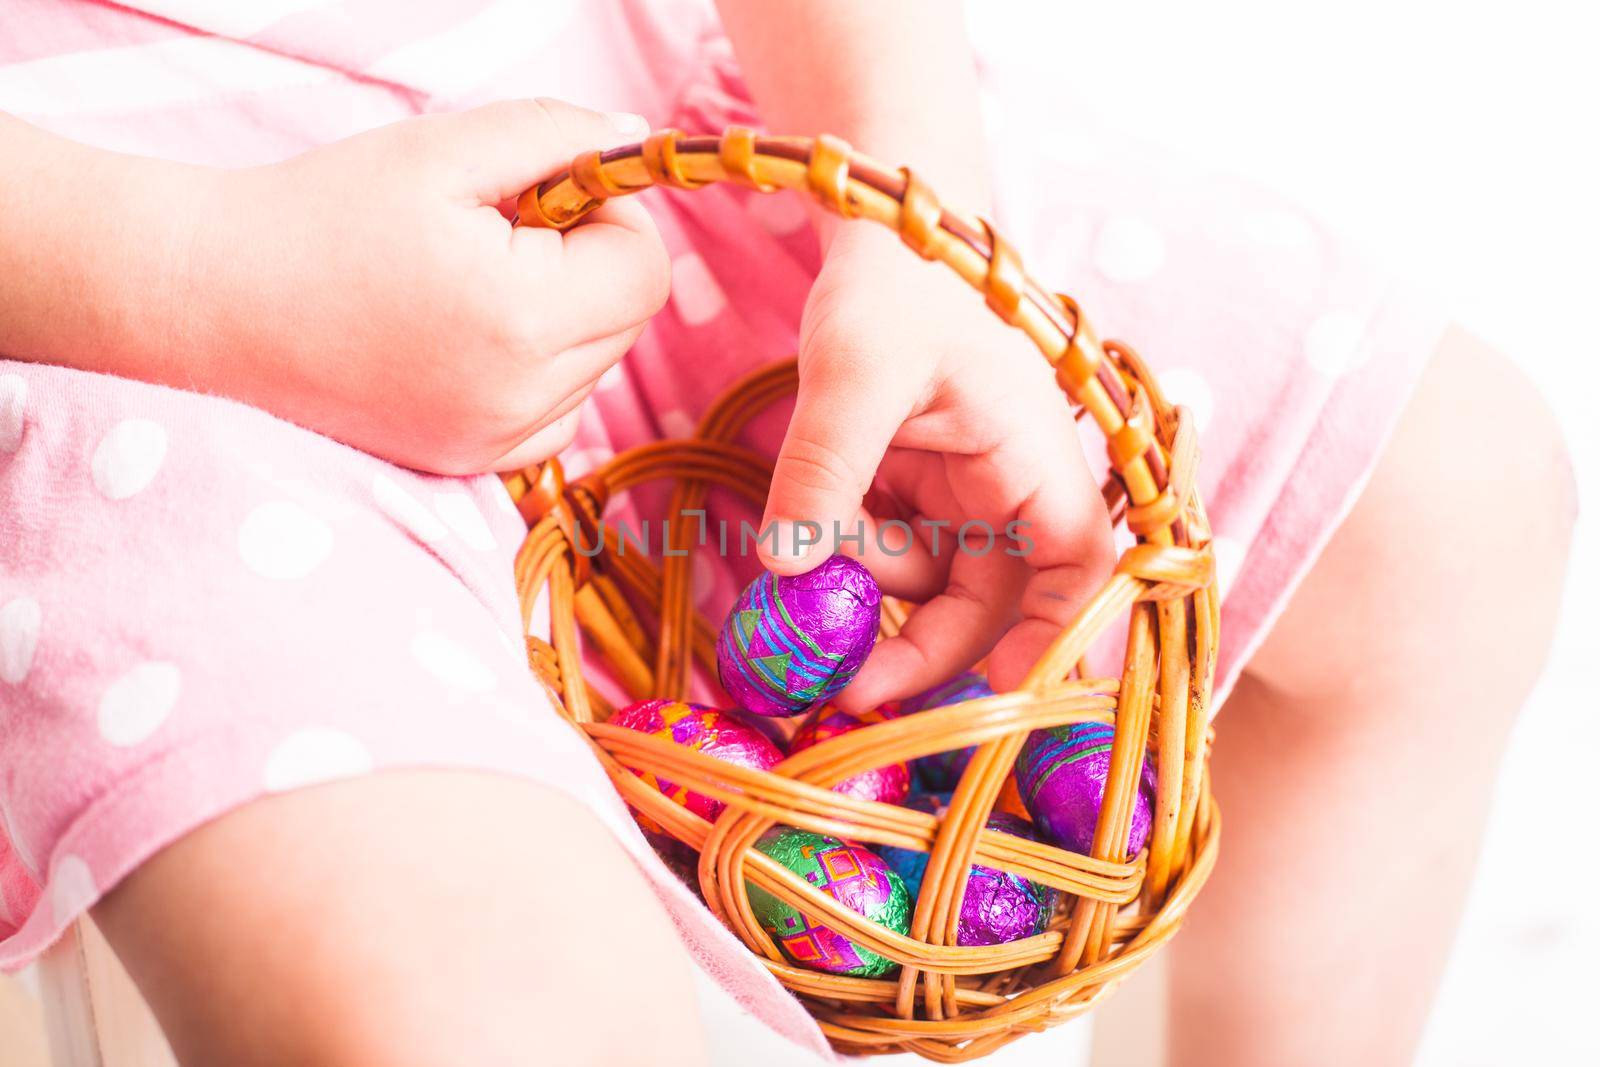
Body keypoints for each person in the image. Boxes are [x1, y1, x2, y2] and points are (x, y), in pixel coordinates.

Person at [0, 2, 1574, 1064]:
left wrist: (914, 215)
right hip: (133, 301)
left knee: (1450, 509)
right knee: (444, 1008)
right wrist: (201, 272)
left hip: (667, 136)